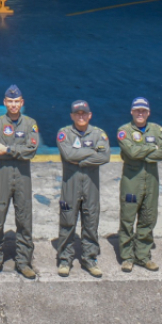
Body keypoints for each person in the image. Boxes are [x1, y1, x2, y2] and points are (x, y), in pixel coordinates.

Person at [0, 85, 39, 279]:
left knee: (24, 219)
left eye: (17, 101)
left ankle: (24, 261)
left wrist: (8, 150)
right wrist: (17, 150)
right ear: (4, 102)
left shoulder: (31, 123)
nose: (14, 105)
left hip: (23, 177)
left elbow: (31, 151)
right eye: (10, 101)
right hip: (2, 175)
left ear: (22, 103)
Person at [54, 99, 109, 278]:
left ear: (90, 115)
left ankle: (89, 258)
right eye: (77, 114)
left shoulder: (99, 134)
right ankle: (65, 258)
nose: (81, 116)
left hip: (91, 185)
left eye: (84, 113)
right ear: (72, 116)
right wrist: (92, 153)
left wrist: (80, 160)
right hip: (70, 184)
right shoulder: (64, 134)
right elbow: (68, 154)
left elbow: (105, 156)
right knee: (67, 221)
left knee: (91, 221)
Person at [117, 97, 162, 272]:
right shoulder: (124, 131)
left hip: (151, 181)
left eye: (144, 111)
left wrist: (142, 152)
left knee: (148, 218)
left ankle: (143, 255)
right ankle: (127, 256)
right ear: (132, 112)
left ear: (148, 112)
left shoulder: (157, 130)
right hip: (132, 182)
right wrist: (151, 149)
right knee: (128, 218)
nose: (140, 113)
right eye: (137, 110)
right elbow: (131, 152)